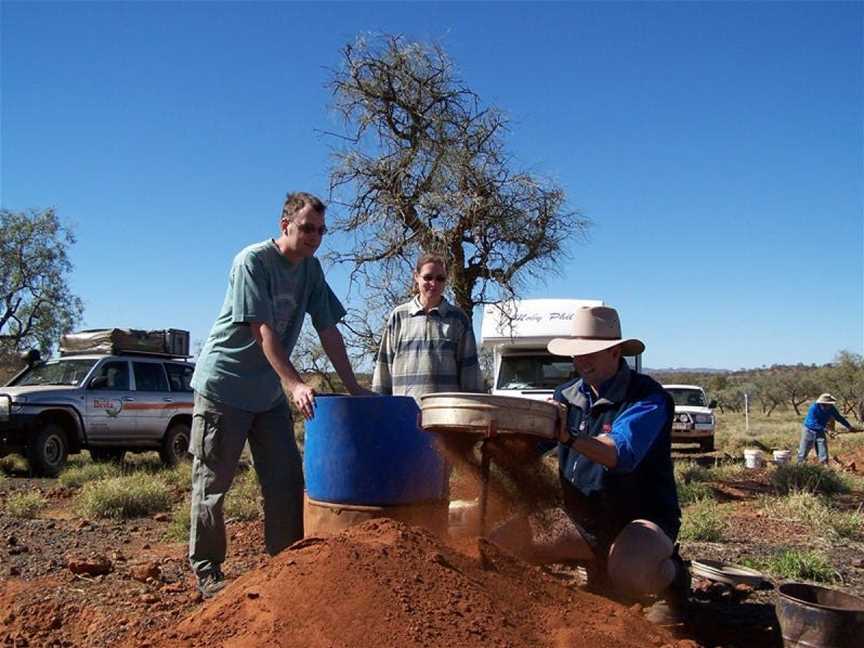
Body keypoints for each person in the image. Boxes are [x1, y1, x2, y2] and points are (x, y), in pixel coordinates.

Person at [188, 191, 369, 598]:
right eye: (307, 228)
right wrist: (295, 384)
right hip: (225, 387)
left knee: (286, 480)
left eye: (321, 231)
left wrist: (353, 386)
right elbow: (262, 331)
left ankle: (286, 562)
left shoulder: (312, 270)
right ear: (284, 225)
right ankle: (208, 572)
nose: (314, 237)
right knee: (212, 484)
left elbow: (328, 330)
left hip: (267, 392)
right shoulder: (252, 261)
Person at [491, 305, 688, 625]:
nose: (581, 360)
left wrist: (570, 437)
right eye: (576, 353)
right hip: (582, 518)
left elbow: (618, 454)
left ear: (614, 351)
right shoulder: (565, 395)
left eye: (590, 352)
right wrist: (497, 438)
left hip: (639, 520)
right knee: (501, 543)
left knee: (630, 572)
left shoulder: (648, 399)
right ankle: (590, 568)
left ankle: (674, 580)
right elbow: (534, 445)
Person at [372, 253, 484, 400]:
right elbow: (383, 369)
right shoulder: (399, 316)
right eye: (428, 277)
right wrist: (378, 407)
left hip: (446, 415)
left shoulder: (458, 319)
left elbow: (470, 375)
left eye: (440, 279)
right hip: (405, 414)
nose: (434, 283)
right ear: (416, 276)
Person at [797, 393, 858, 465]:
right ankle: (800, 465)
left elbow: (839, 418)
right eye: (825, 404)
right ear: (821, 403)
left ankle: (824, 465)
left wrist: (849, 427)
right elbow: (813, 423)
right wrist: (827, 430)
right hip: (809, 430)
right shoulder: (814, 408)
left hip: (820, 431)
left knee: (823, 449)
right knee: (804, 450)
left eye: (829, 404)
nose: (827, 406)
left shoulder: (831, 408)